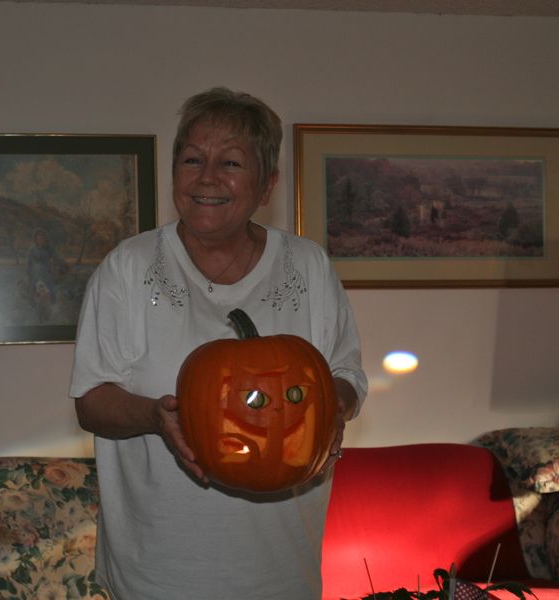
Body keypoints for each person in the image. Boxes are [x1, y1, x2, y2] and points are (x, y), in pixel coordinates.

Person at [69, 87, 367, 599]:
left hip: (281, 570)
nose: (206, 178)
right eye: (191, 159)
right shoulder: (130, 267)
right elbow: (91, 400)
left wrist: (328, 405)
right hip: (157, 573)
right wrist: (155, 417)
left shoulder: (309, 267)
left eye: (230, 162)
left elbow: (348, 376)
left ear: (267, 184)